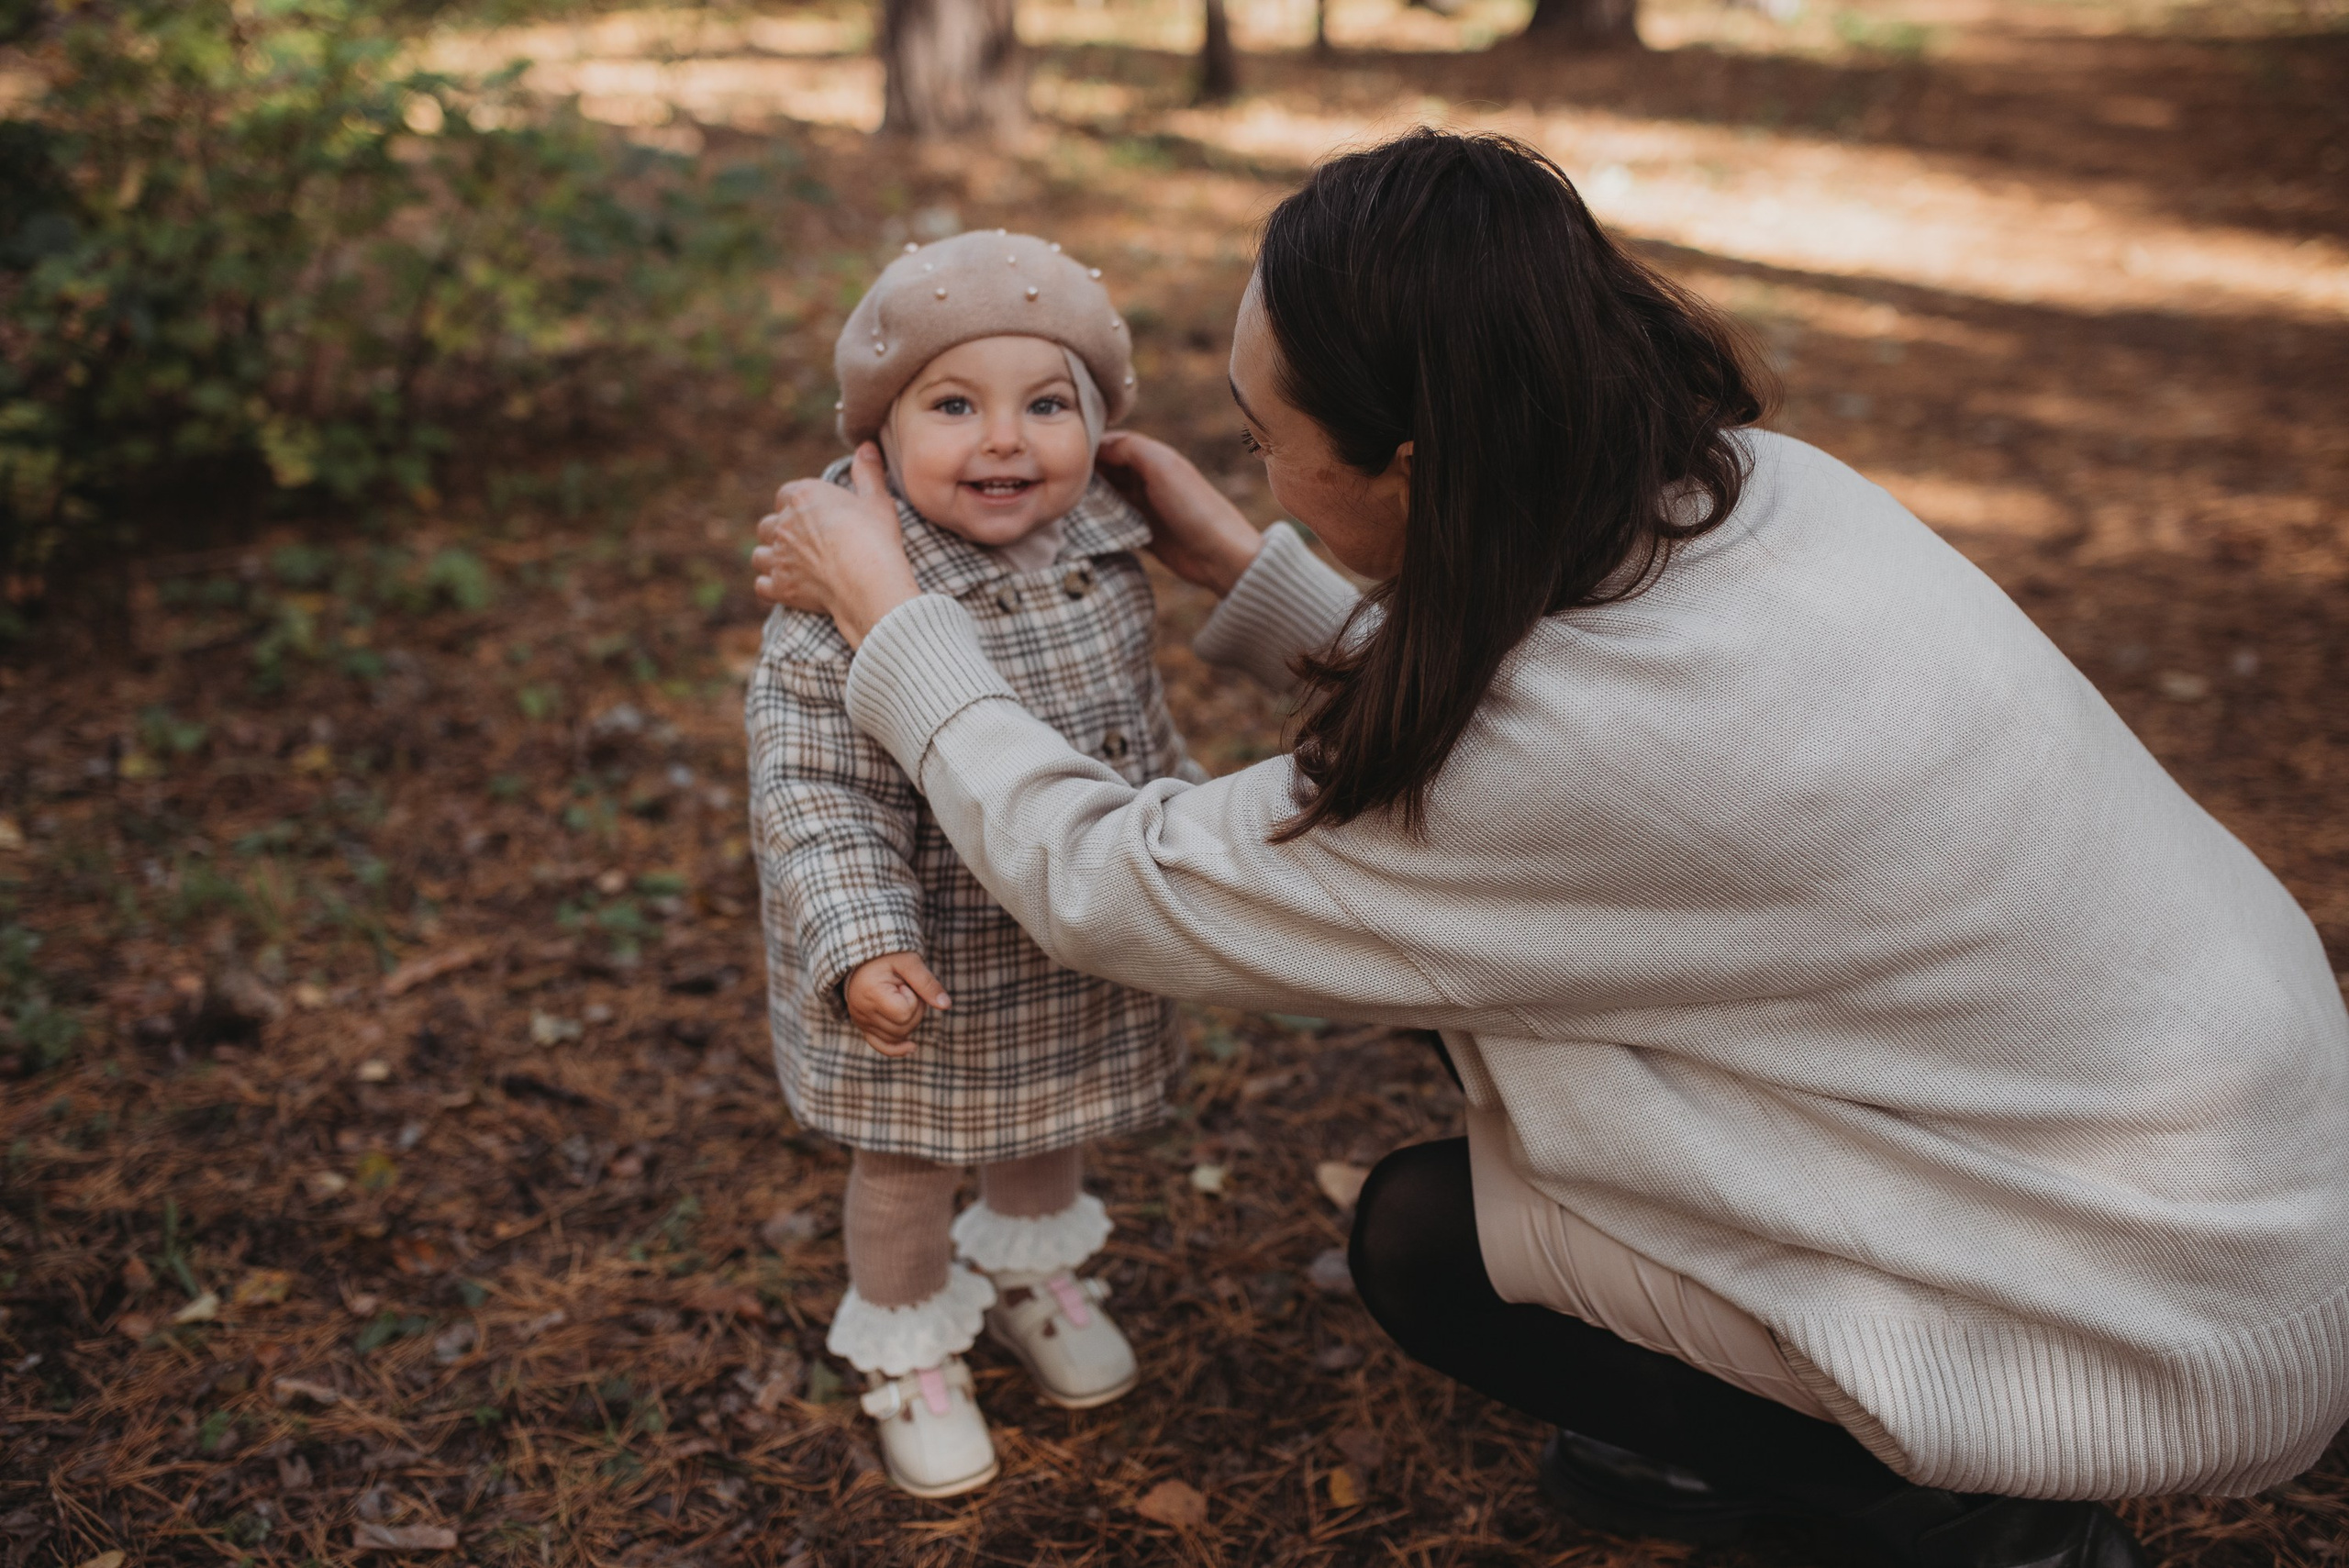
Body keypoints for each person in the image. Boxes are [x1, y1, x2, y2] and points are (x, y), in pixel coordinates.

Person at [751, 131, 2349, 1567]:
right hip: (2264, 1166)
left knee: (1430, 1243)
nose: (1254, 476)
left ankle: (1967, 1517)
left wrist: (893, 617)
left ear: (1412, 469)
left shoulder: (1529, 770)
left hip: (2162, 1315)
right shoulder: (1762, 493)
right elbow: (1581, 725)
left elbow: (1106, 878)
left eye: (1264, 444)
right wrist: (1260, 569)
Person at [745, 229, 1204, 1499]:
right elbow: (815, 790)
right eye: (955, 405)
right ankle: (909, 1347)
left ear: (1098, 423)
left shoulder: (1106, 560)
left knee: (1046, 1118)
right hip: (927, 952)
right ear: (879, 437)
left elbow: (1135, 732)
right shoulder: (836, 590)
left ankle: (1028, 1273)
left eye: (1046, 404)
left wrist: (1190, 837)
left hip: (1064, 928)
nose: (1006, 439)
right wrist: (859, 941)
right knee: (908, 1157)